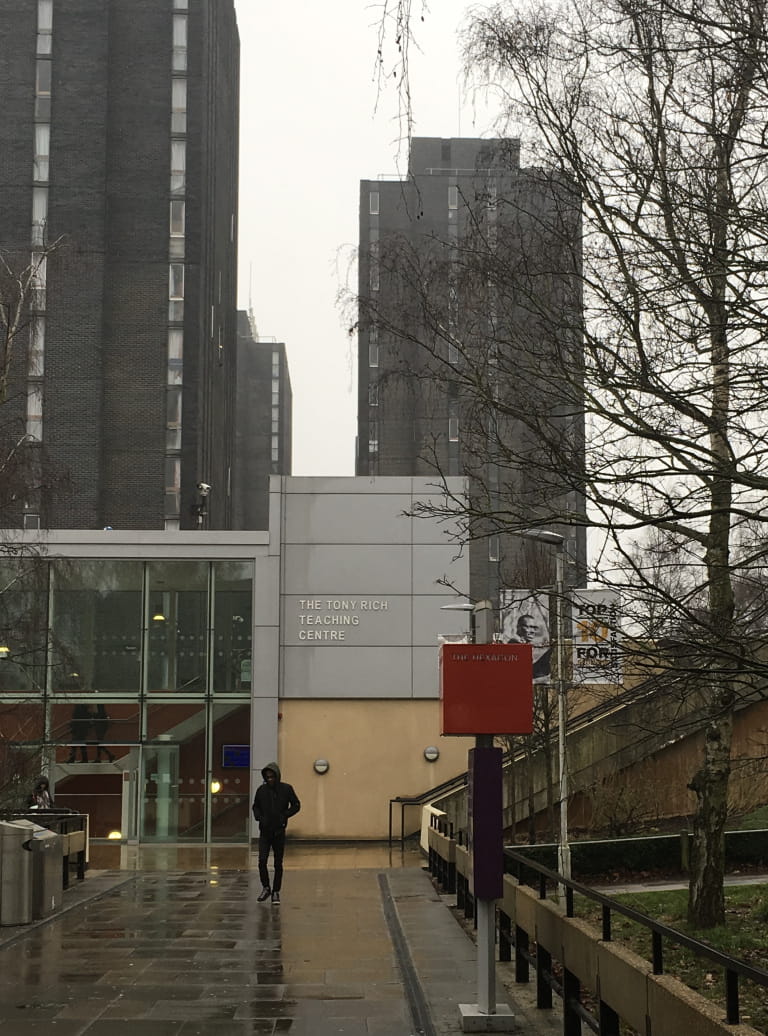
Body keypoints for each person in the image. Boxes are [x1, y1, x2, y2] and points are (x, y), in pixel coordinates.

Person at [251, 762, 300, 904]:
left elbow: (296, 805)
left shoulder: (286, 789)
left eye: (272, 777)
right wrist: (259, 817)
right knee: (262, 861)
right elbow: (256, 806)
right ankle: (266, 887)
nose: (270, 779)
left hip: (279, 831)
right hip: (265, 832)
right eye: (268, 777)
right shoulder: (261, 790)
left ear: (277, 776)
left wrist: (284, 815)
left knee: (278, 863)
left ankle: (276, 892)